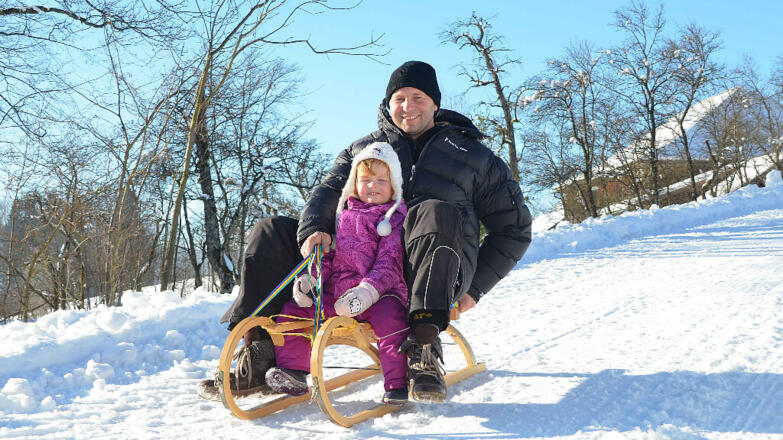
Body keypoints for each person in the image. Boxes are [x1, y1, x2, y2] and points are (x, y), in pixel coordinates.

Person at [203, 60, 532, 404]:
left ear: (435, 103)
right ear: (388, 104)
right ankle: (261, 349)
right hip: (356, 269)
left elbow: (514, 230)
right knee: (270, 231)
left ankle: (422, 349)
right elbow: (328, 194)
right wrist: (316, 229)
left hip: (430, 272)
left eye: (418, 97)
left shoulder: (474, 157)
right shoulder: (364, 151)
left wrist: (474, 288)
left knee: (435, 211)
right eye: (399, 98)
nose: (408, 107)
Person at [263, 142, 410, 405]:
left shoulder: (394, 219)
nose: (373, 186)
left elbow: (390, 263)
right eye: (366, 180)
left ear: (394, 185)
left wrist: (367, 292)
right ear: (355, 183)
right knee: (290, 312)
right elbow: (330, 256)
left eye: (381, 180)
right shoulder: (344, 216)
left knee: (393, 319)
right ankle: (294, 371)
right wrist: (312, 281)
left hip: (378, 295)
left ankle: (397, 383)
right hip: (338, 297)